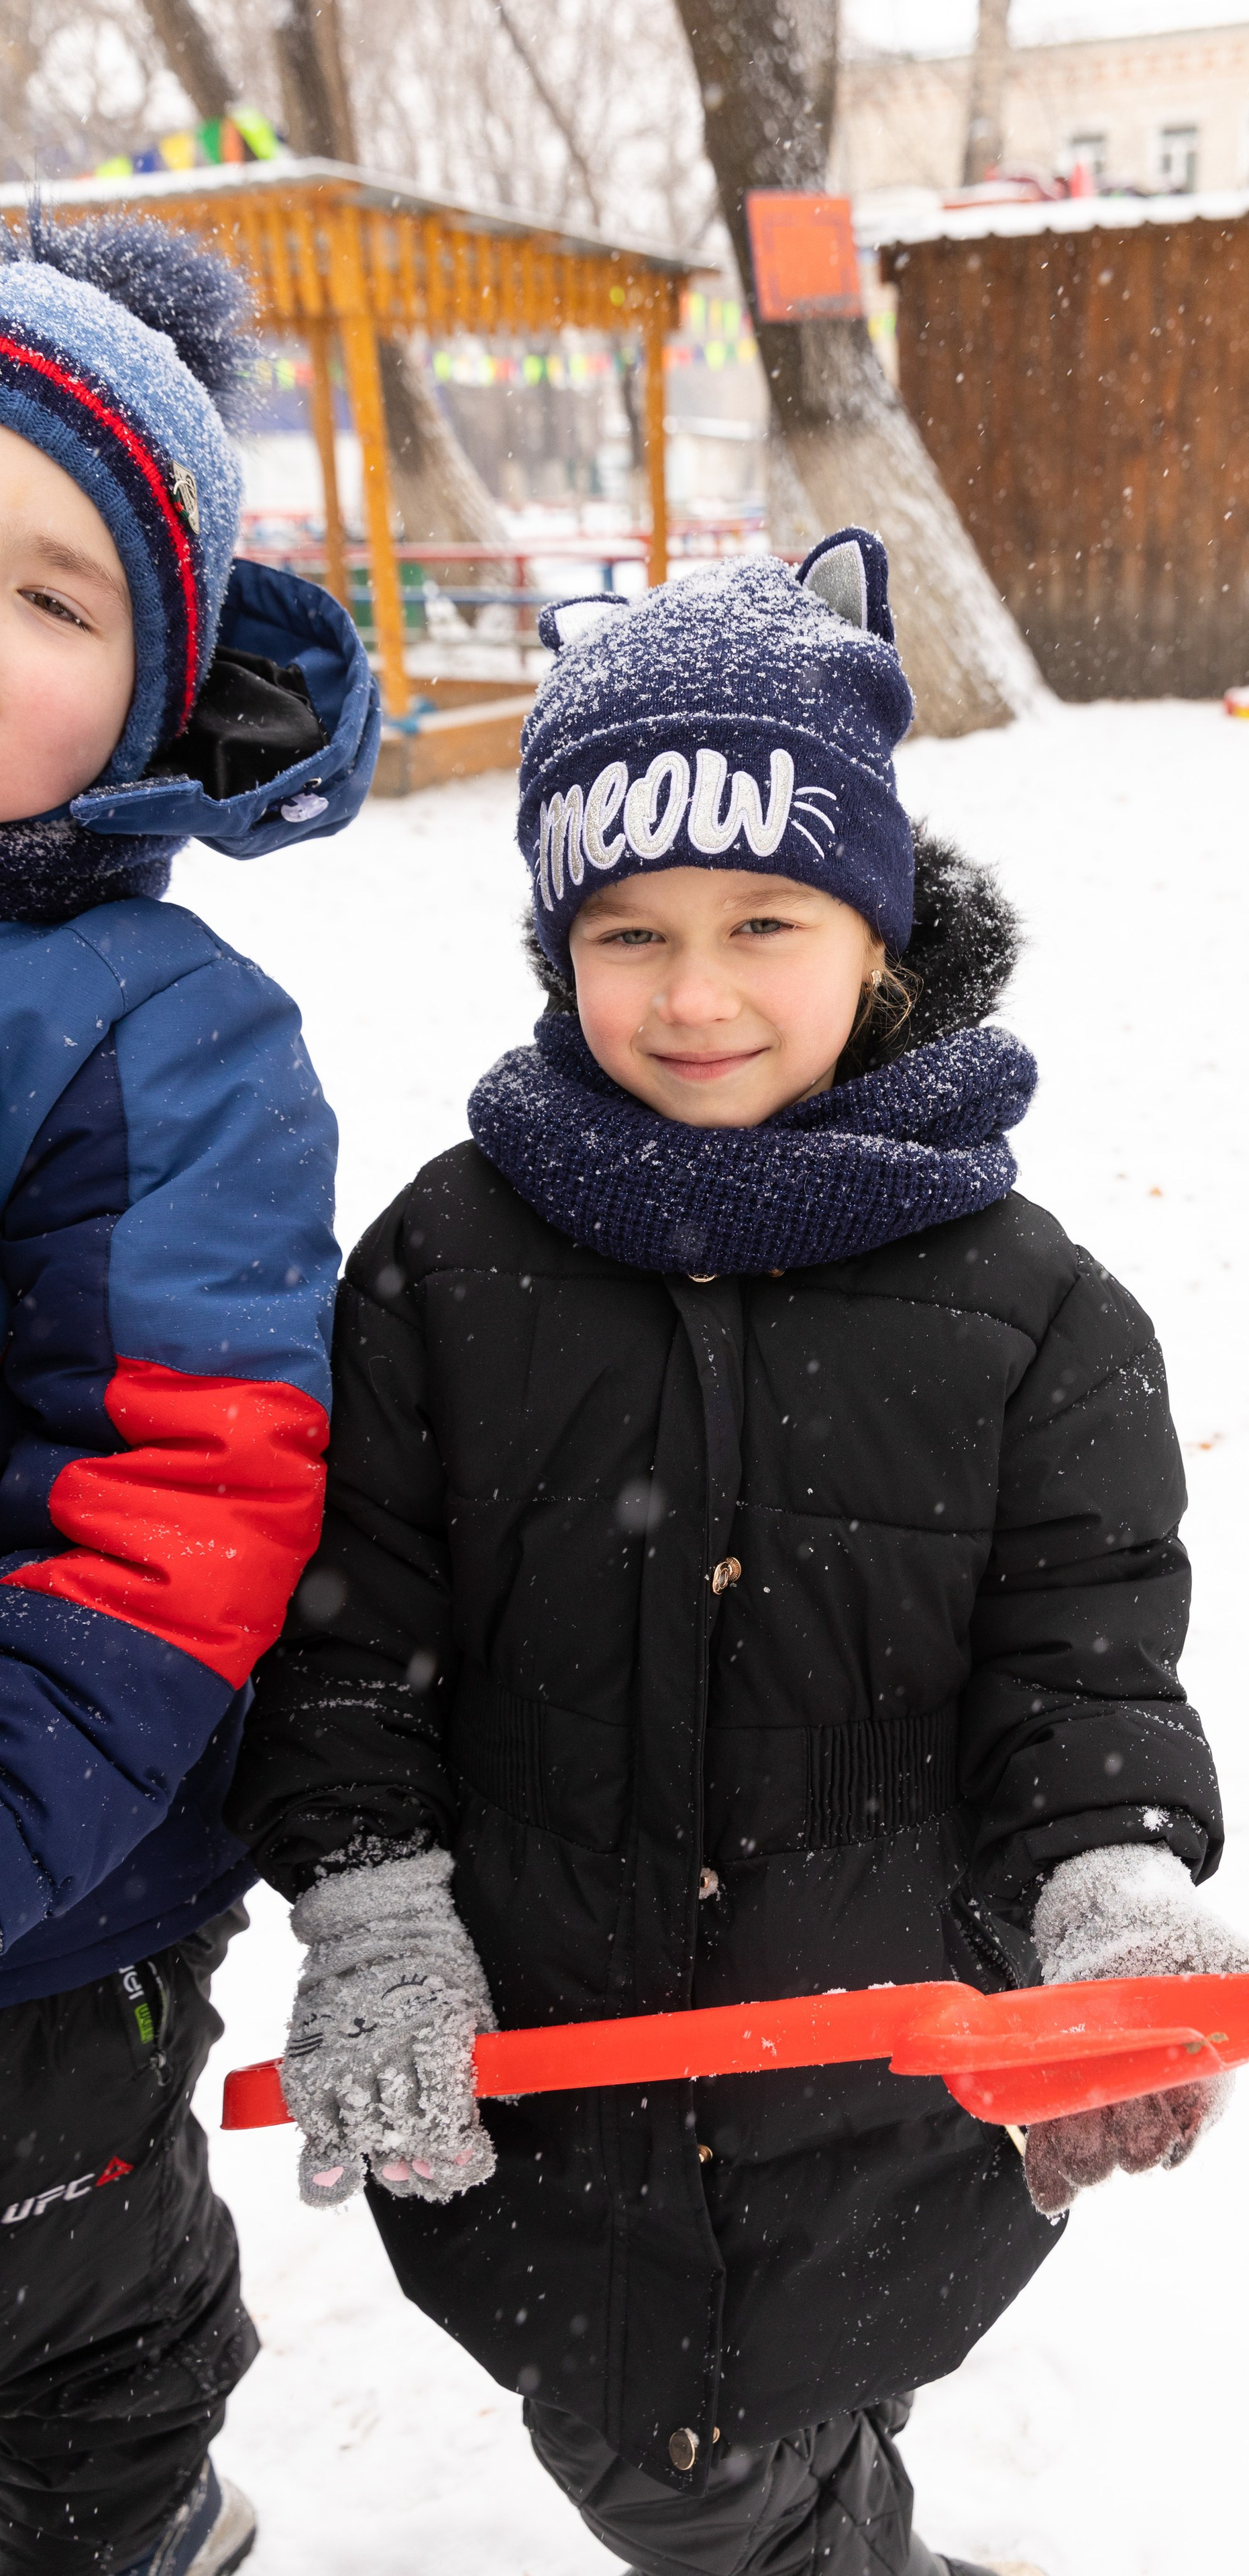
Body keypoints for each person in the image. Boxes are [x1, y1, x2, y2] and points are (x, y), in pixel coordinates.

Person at [229, 529, 1249, 2576]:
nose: (700, 991)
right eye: (627, 931)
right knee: (663, 2462)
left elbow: (1081, 1672)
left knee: (824, 2387)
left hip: (882, 2110)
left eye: (767, 917)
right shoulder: (445, 1269)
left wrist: (1107, 1891)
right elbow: (348, 1633)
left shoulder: (1033, 1315)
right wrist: (372, 1904)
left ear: (881, 938)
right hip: (552, 2107)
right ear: (554, 948)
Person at [0, 207, 379, 2576]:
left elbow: (188, 1495)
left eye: (45, 596)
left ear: (153, 694)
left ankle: (134, 2521)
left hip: (43, 1926)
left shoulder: (156, 1033)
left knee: (68, 2336)